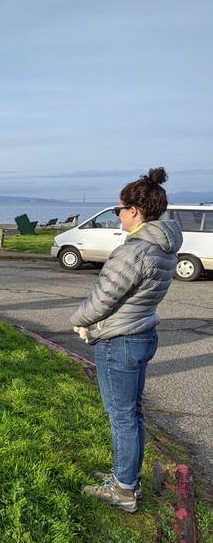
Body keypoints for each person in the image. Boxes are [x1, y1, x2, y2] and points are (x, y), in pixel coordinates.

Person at [72, 167, 181, 513]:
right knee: (132, 414)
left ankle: (123, 491)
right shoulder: (164, 245)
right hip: (142, 333)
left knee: (121, 417)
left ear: (134, 211)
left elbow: (103, 298)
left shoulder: (134, 251)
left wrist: (77, 321)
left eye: (119, 208)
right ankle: (125, 477)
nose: (118, 214)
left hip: (120, 340)